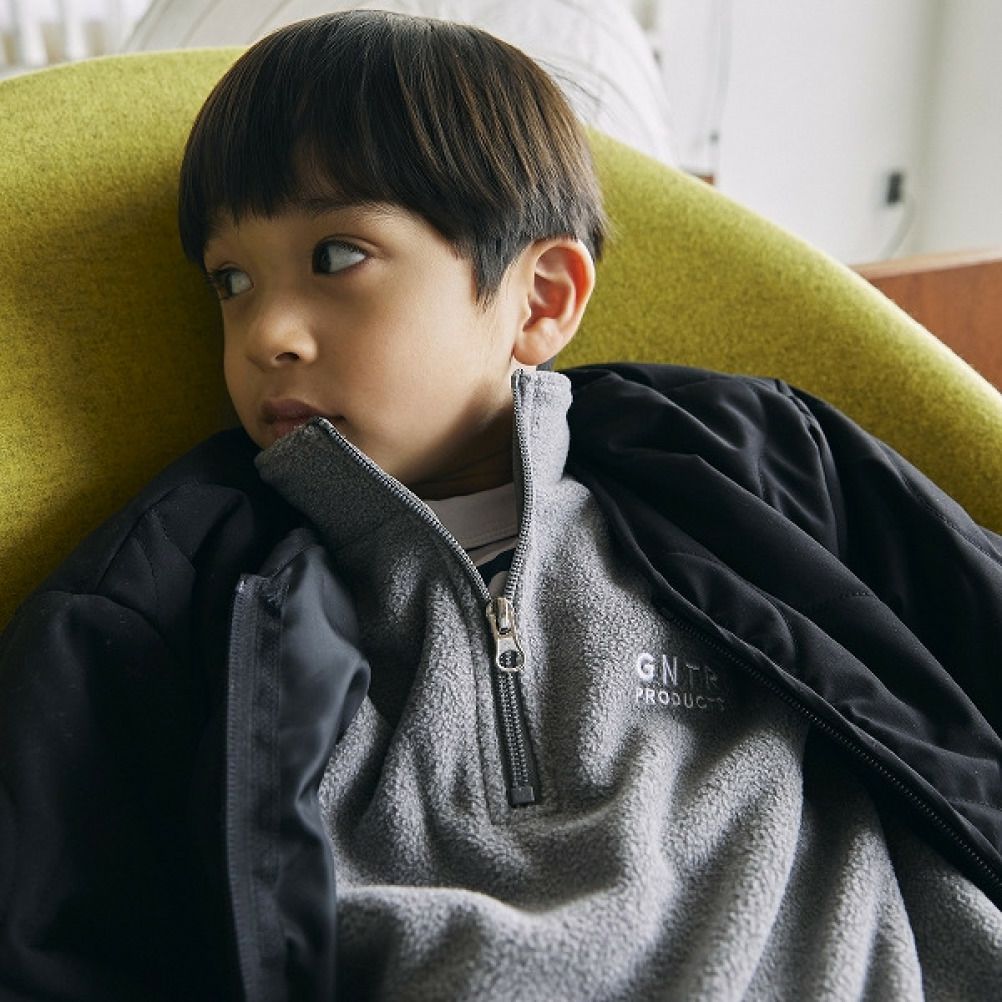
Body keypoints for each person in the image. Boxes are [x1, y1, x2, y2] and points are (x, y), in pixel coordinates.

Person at [1, 11, 1001, 1001]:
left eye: (336, 257)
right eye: (231, 280)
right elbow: (58, 921)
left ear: (542, 298)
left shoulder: (743, 461)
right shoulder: (176, 589)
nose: (267, 334)